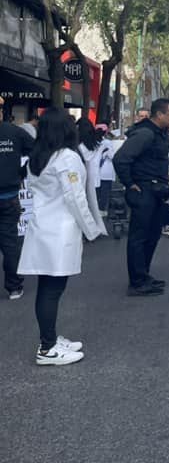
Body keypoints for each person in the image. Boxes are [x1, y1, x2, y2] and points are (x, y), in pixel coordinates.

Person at [17, 108, 104, 365]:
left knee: (47, 287)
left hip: (42, 227)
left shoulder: (38, 157)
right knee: (52, 290)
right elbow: (75, 198)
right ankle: (47, 348)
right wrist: (92, 230)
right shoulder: (67, 157)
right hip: (61, 231)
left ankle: (51, 338)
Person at [113, 98, 169, 296]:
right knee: (139, 237)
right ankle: (137, 282)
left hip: (157, 191)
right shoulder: (145, 134)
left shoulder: (158, 133)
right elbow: (120, 159)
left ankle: (144, 275)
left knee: (152, 235)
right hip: (144, 191)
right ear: (159, 115)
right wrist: (130, 184)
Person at [0, 99, 34, 300]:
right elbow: (36, 151)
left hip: (9, 195)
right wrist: (21, 171)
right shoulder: (14, 132)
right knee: (10, 244)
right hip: (9, 196)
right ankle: (13, 287)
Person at [76, 119, 107, 235]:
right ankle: (93, 227)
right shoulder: (98, 144)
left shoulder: (78, 146)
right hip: (95, 175)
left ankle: (86, 228)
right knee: (92, 203)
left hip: (81, 175)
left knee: (83, 203)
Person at [95, 126, 117, 214]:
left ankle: (96, 209)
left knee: (98, 192)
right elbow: (112, 156)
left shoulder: (96, 142)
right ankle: (102, 210)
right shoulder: (108, 142)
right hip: (106, 171)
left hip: (98, 171)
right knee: (105, 192)